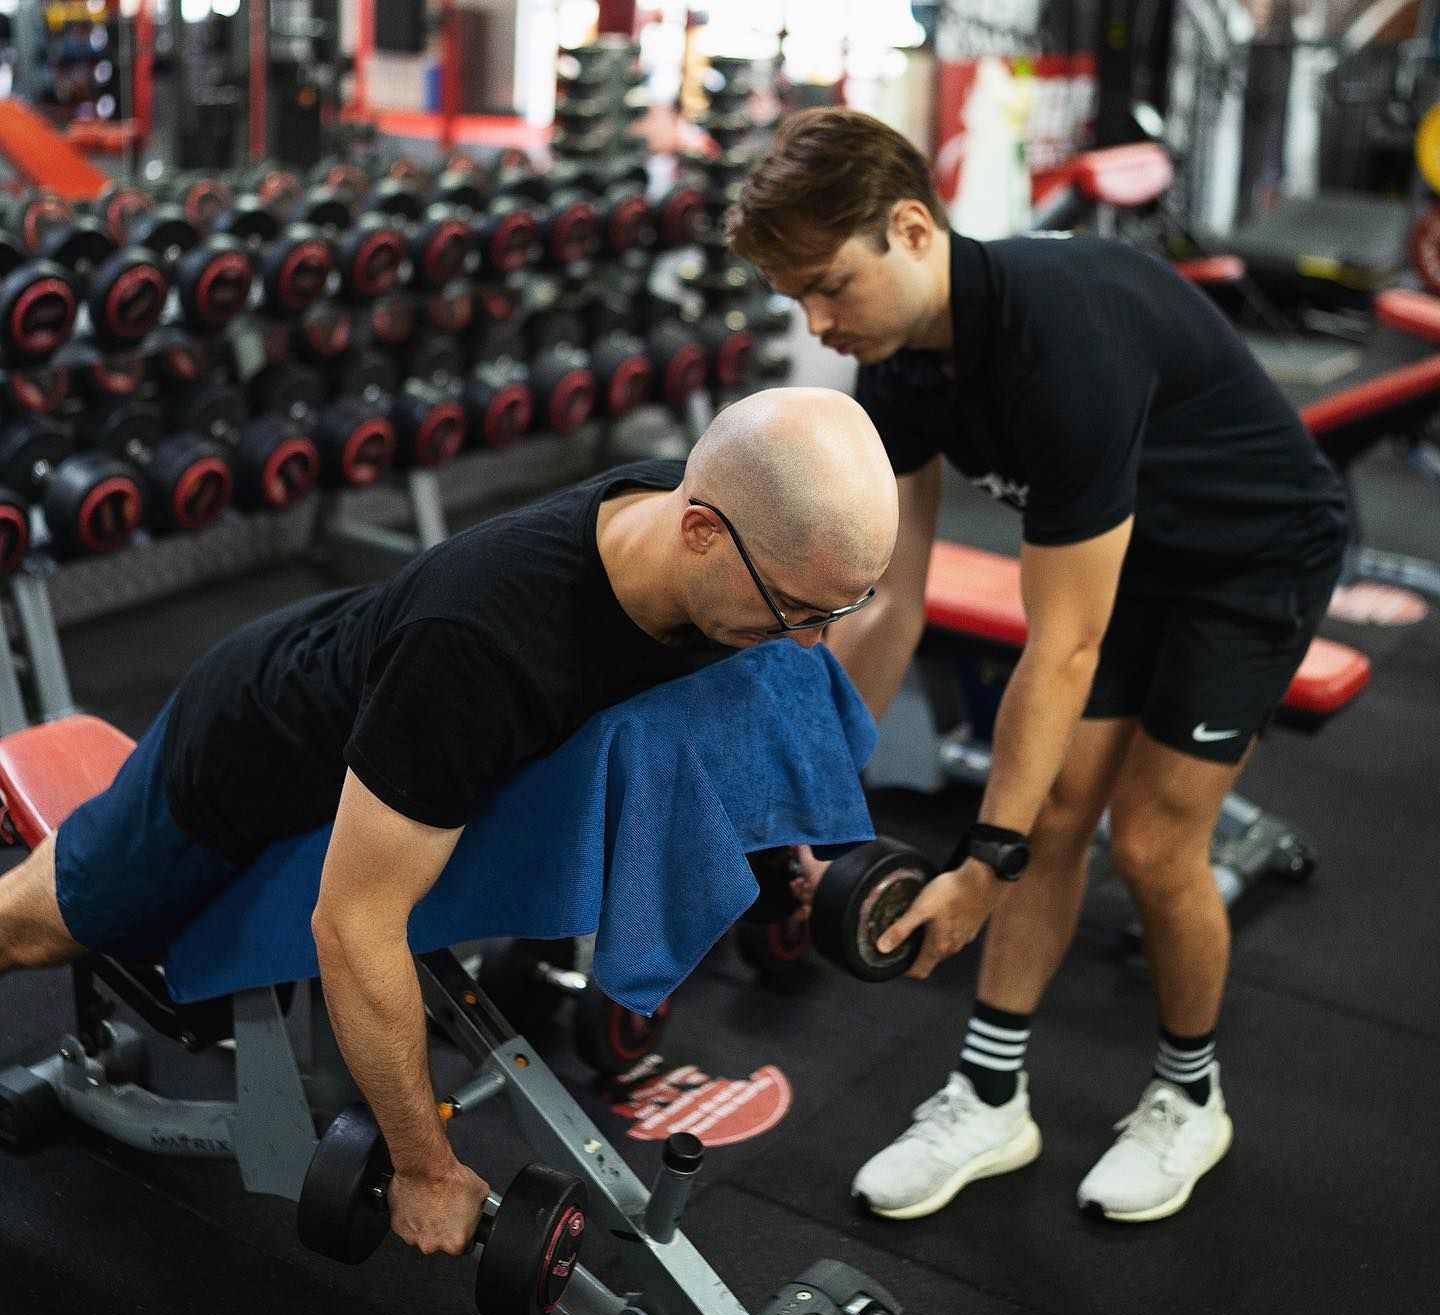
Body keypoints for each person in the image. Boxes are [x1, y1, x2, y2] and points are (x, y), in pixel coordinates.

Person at [0, 386, 899, 1253]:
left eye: (836, 611)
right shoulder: (480, 647)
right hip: (242, 750)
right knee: (47, 928)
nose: (810, 643)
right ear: (697, 528)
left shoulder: (709, 536)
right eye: (796, 612)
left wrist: (801, 859)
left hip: (377, 683)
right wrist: (422, 1168)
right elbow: (353, 927)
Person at [728, 109, 1350, 1223]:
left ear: (912, 229)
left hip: (1250, 559)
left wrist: (981, 860)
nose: (820, 325)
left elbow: (1059, 647)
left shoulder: (1061, 341)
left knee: (1153, 841)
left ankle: (1188, 1098)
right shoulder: (904, 364)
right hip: (1121, 559)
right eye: (797, 302)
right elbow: (894, 599)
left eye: (830, 286)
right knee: (1059, 806)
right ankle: (991, 1094)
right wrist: (800, 804)